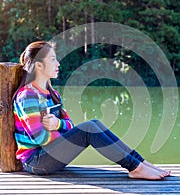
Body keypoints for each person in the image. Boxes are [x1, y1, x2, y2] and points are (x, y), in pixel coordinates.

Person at [13, 41, 170, 180]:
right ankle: (136, 168)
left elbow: (70, 125)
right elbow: (41, 138)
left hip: (51, 154)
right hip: (37, 161)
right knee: (88, 128)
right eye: (53, 59)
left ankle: (140, 162)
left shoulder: (52, 94)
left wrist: (58, 124)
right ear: (39, 65)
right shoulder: (28, 96)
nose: (58, 64)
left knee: (94, 124)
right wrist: (60, 131)